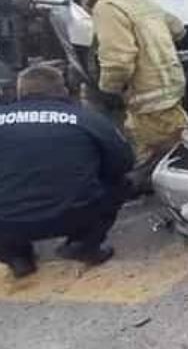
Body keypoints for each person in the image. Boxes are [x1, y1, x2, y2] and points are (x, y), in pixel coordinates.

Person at [43, 0, 188, 174]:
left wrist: (108, 90)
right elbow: (178, 29)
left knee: (158, 161)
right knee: (183, 143)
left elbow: (118, 61)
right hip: (170, 89)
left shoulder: (105, 8)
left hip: (147, 100)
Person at [0, 65, 134, 278]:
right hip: (74, 213)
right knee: (122, 183)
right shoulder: (86, 118)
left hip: (6, 222)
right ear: (63, 90)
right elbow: (124, 162)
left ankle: (16, 257)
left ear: (19, 92)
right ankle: (84, 244)